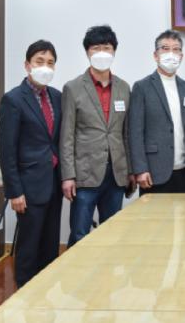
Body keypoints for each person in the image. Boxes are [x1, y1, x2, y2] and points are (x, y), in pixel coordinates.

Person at [60, 25, 133, 246]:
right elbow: (67, 136)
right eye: (96, 48)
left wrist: (130, 170)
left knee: (112, 235)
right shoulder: (73, 88)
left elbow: (126, 134)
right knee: (79, 234)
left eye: (106, 48)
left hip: (116, 174)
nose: (102, 53)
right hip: (85, 174)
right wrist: (68, 176)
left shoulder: (124, 88)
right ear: (87, 52)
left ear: (114, 51)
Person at [0, 40, 62, 287]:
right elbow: (7, 150)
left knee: (50, 244)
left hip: (53, 182)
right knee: (29, 247)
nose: (45, 67)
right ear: (27, 65)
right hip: (28, 187)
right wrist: (14, 191)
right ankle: (24, 295)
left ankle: (45, 292)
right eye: (39, 61)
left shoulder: (57, 97)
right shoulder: (13, 99)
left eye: (50, 63)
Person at [128, 30, 185, 194]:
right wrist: (140, 169)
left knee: (184, 212)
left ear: (181, 56)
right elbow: (135, 132)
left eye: (176, 49)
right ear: (155, 55)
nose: (171, 54)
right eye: (165, 48)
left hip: (184, 172)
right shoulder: (142, 87)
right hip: (153, 172)